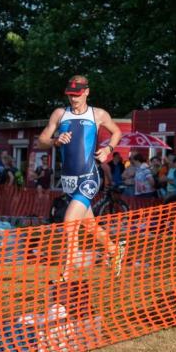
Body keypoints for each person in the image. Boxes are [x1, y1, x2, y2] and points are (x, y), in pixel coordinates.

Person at [37, 74, 124, 280]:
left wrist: (108, 149)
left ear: (86, 92)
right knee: (89, 225)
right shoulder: (60, 113)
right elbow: (41, 140)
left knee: (70, 221)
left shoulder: (98, 114)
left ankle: (66, 272)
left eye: (77, 94)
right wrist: (56, 140)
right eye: (70, 94)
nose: (73, 98)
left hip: (89, 177)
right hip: (68, 181)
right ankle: (115, 250)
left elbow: (117, 132)